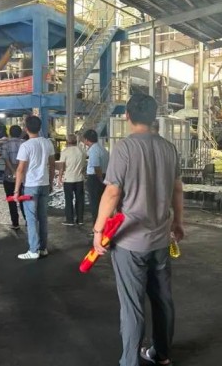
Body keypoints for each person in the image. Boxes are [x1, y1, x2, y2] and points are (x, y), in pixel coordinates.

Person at [92, 93, 184, 366]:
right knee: (162, 300)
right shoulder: (169, 148)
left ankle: (129, 362)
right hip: (161, 239)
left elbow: (112, 193)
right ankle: (162, 354)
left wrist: (98, 231)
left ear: (127, 116)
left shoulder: (124, 148)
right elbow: (177, 189)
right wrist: (178, 222)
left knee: (132, 307)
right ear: (154, 117)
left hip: (130, 242)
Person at [13, 116, 55, 260]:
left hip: (31, 186)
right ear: (40, 127)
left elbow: (20, 170)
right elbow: (52, 165)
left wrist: (16, 190)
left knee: (31, 219)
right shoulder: (48, 143)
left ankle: (33, 250)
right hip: (44, 184)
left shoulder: (26, 146)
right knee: (43, 218)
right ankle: (43, 248)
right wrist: (50, 182)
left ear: (26, 129)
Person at [59, 134, 86, 226]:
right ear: (76, 141)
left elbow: (62, 167)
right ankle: (80, 219)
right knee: (80, 200)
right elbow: (83, 166)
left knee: (68, 200)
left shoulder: (65, 152)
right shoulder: (81, 151)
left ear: (67, 141)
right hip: (79, 179)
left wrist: (60, 177)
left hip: (68, 179)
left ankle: (70, 220)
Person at [2, 125, 26, 229]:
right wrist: (19, 171)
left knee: (11, 199)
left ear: (10, 133)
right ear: (20, 133)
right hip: (23, 176)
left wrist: (13, 171)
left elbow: (6, 159)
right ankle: (27, 220)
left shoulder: (5, 144)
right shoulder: (25, 144)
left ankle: (15, 223)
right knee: (23, 198)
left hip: (9, 175)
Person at [83, 128, 109, 221]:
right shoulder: (103, 149)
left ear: (86, 140)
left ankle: (97, 225)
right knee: (102, 202)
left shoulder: (93, 150)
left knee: (95, 203)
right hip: (104, 175)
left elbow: (96, 166)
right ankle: (103, 224)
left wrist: (100, 179)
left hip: (95, 178)